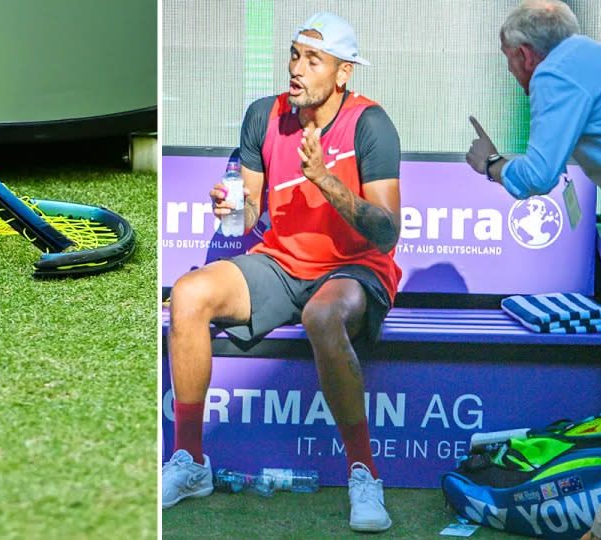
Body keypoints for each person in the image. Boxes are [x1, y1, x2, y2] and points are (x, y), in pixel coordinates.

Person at [162, 12, 402, 533]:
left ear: (343, 74)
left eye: (313, 60)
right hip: (282, 263)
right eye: (295, 54)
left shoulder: (370, 123)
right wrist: (230, 209)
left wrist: (325, 180)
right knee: (187, 295)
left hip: (354, 269)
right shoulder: (263, 115)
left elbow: (387, 233)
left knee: (321, 315)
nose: (297, 68)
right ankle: (190, 463)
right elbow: (248, 211)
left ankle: (364, 472)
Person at [465, 1, 601, 538]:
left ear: (524, 54)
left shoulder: (554, 74)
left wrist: (490, 164)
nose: (512, 75)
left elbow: (537, 176)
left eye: (507, 61)